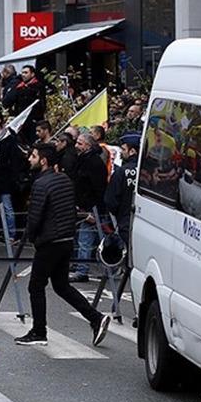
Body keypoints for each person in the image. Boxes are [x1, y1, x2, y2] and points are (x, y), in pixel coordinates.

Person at [14, 142, 111, 346]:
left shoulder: (41, 184)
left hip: (50, 241)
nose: (29, 159)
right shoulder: (65, 180)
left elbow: (35, 216)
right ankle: (96, 318)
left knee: (36, 286)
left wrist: (31, 237)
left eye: (32, 156)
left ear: (43, 160)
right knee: (61, 286)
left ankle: (39, 331)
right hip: (66, 239)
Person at [69, 133, 109, 283]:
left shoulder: (93, 163)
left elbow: (98, 188)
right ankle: (82, 265)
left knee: (86, 240)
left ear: (87, 146)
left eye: (79, 143)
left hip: (91, 208)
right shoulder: (84, 160)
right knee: (86, 238)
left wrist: (93, 209)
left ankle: (82, 270)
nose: (76, 146)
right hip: (84, 206)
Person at [104, 131, 140, 244]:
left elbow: (110, 200)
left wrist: (119, 215)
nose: (121, 153)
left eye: (124, 149)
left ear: (132, 151)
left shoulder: (122, 172)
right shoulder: (149, 171)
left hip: (125, 222)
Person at [3, 65, 46, 142]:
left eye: (26, 73)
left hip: (33, 121)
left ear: (32, 74)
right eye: (22, 73)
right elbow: (8, 102)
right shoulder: (19, 86)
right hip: (21, 121)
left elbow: (41, 105)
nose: (23, 75)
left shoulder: (38, 86)